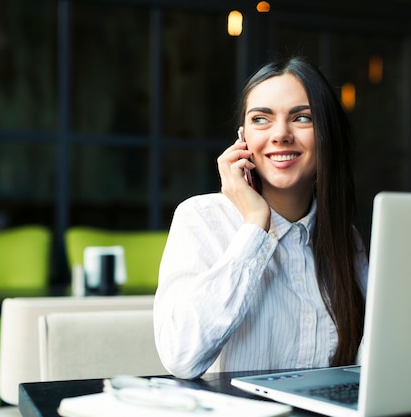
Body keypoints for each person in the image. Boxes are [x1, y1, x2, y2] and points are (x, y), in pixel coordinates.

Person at [153, 56, 368, 379]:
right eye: (261, 119)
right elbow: (181, 357)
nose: (280, 134)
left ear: (328, 135)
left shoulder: (344, 238)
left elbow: (370, 359)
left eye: (303, 118)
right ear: (243, 139)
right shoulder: (201, 219)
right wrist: (255, 224)